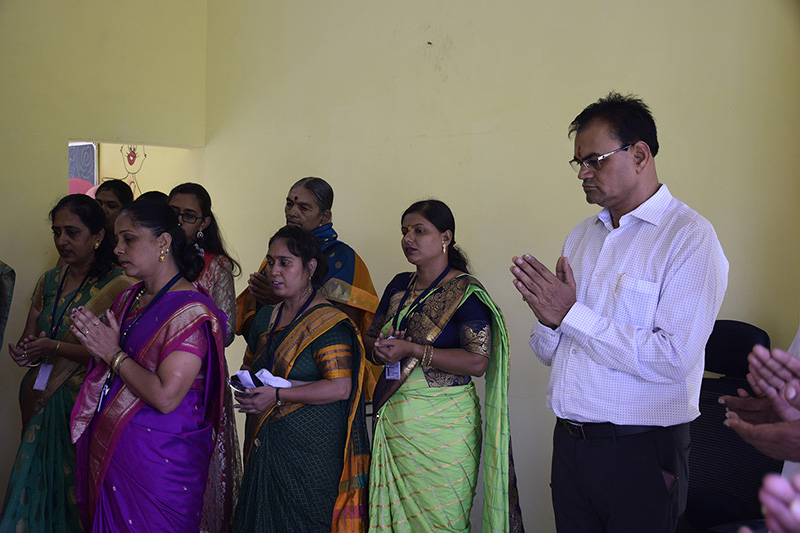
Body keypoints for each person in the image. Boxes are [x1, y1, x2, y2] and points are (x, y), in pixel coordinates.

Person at [512, 92, 728, 532]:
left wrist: (570, 315)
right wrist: (551, 321)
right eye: (578, 163)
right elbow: (550, 353)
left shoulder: (689, 238)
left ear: (640, 155)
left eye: (594, 160)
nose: (583, 174)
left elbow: (674, 358)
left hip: (641, 451)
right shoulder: (581, 237)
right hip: (571, 446)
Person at [68, 196, 231, 532]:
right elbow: (111, 371)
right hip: (116, 453)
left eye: (129, 239)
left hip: (160, 466)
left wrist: (112, 353)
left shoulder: (191, 312)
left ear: (163, 242)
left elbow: (166, 396)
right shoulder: (128, 299)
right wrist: (99, 348)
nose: (117, 249)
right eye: (117, 239)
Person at [365, 200, 522, 532]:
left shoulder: (465, 293)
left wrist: (413, 350)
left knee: (444, 522)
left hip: (445, 429)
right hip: (397, 423)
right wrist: (380, 350)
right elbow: (369, 338)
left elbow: (477, 361)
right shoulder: (398, 286)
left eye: (420, 231)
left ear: (445, 238)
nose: (409, 238)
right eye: (405, 231)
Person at [1, 195, 131, 533]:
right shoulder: (49, 280)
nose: (62, 241)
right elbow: (32, 337)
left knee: (76, 495)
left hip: (81, 403)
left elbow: (114, 353)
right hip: (38, 395)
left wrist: (54, 346)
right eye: (57, 232)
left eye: (72, 232)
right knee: (31, 488)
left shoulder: (119, 286)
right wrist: (28, 351)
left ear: (98, 236)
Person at [232, 225, 369, 532]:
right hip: (266, 441)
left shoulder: (328, 324)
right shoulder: (265, 318)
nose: (274, 271)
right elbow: (250, 366)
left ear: (310, 268)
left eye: (285, 263)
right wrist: (246, 386)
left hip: (311, 452)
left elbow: (341, 387)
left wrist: (278, 395)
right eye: (271, 262)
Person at [235, 177, 378, 338]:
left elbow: (344, 329)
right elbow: (249, 318)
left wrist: (282, 304)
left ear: (325, 216)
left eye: (303, 208)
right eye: (289, 204)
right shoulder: (279, 251)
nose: (292, 213)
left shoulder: (344, 258)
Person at [169, 182, 240, 346]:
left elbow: (227, 332)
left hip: (198, 355)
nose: (179, 221)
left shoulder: (218, 265)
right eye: (173, 212)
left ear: (204, 223)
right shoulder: (155, 255)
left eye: (189, 216)